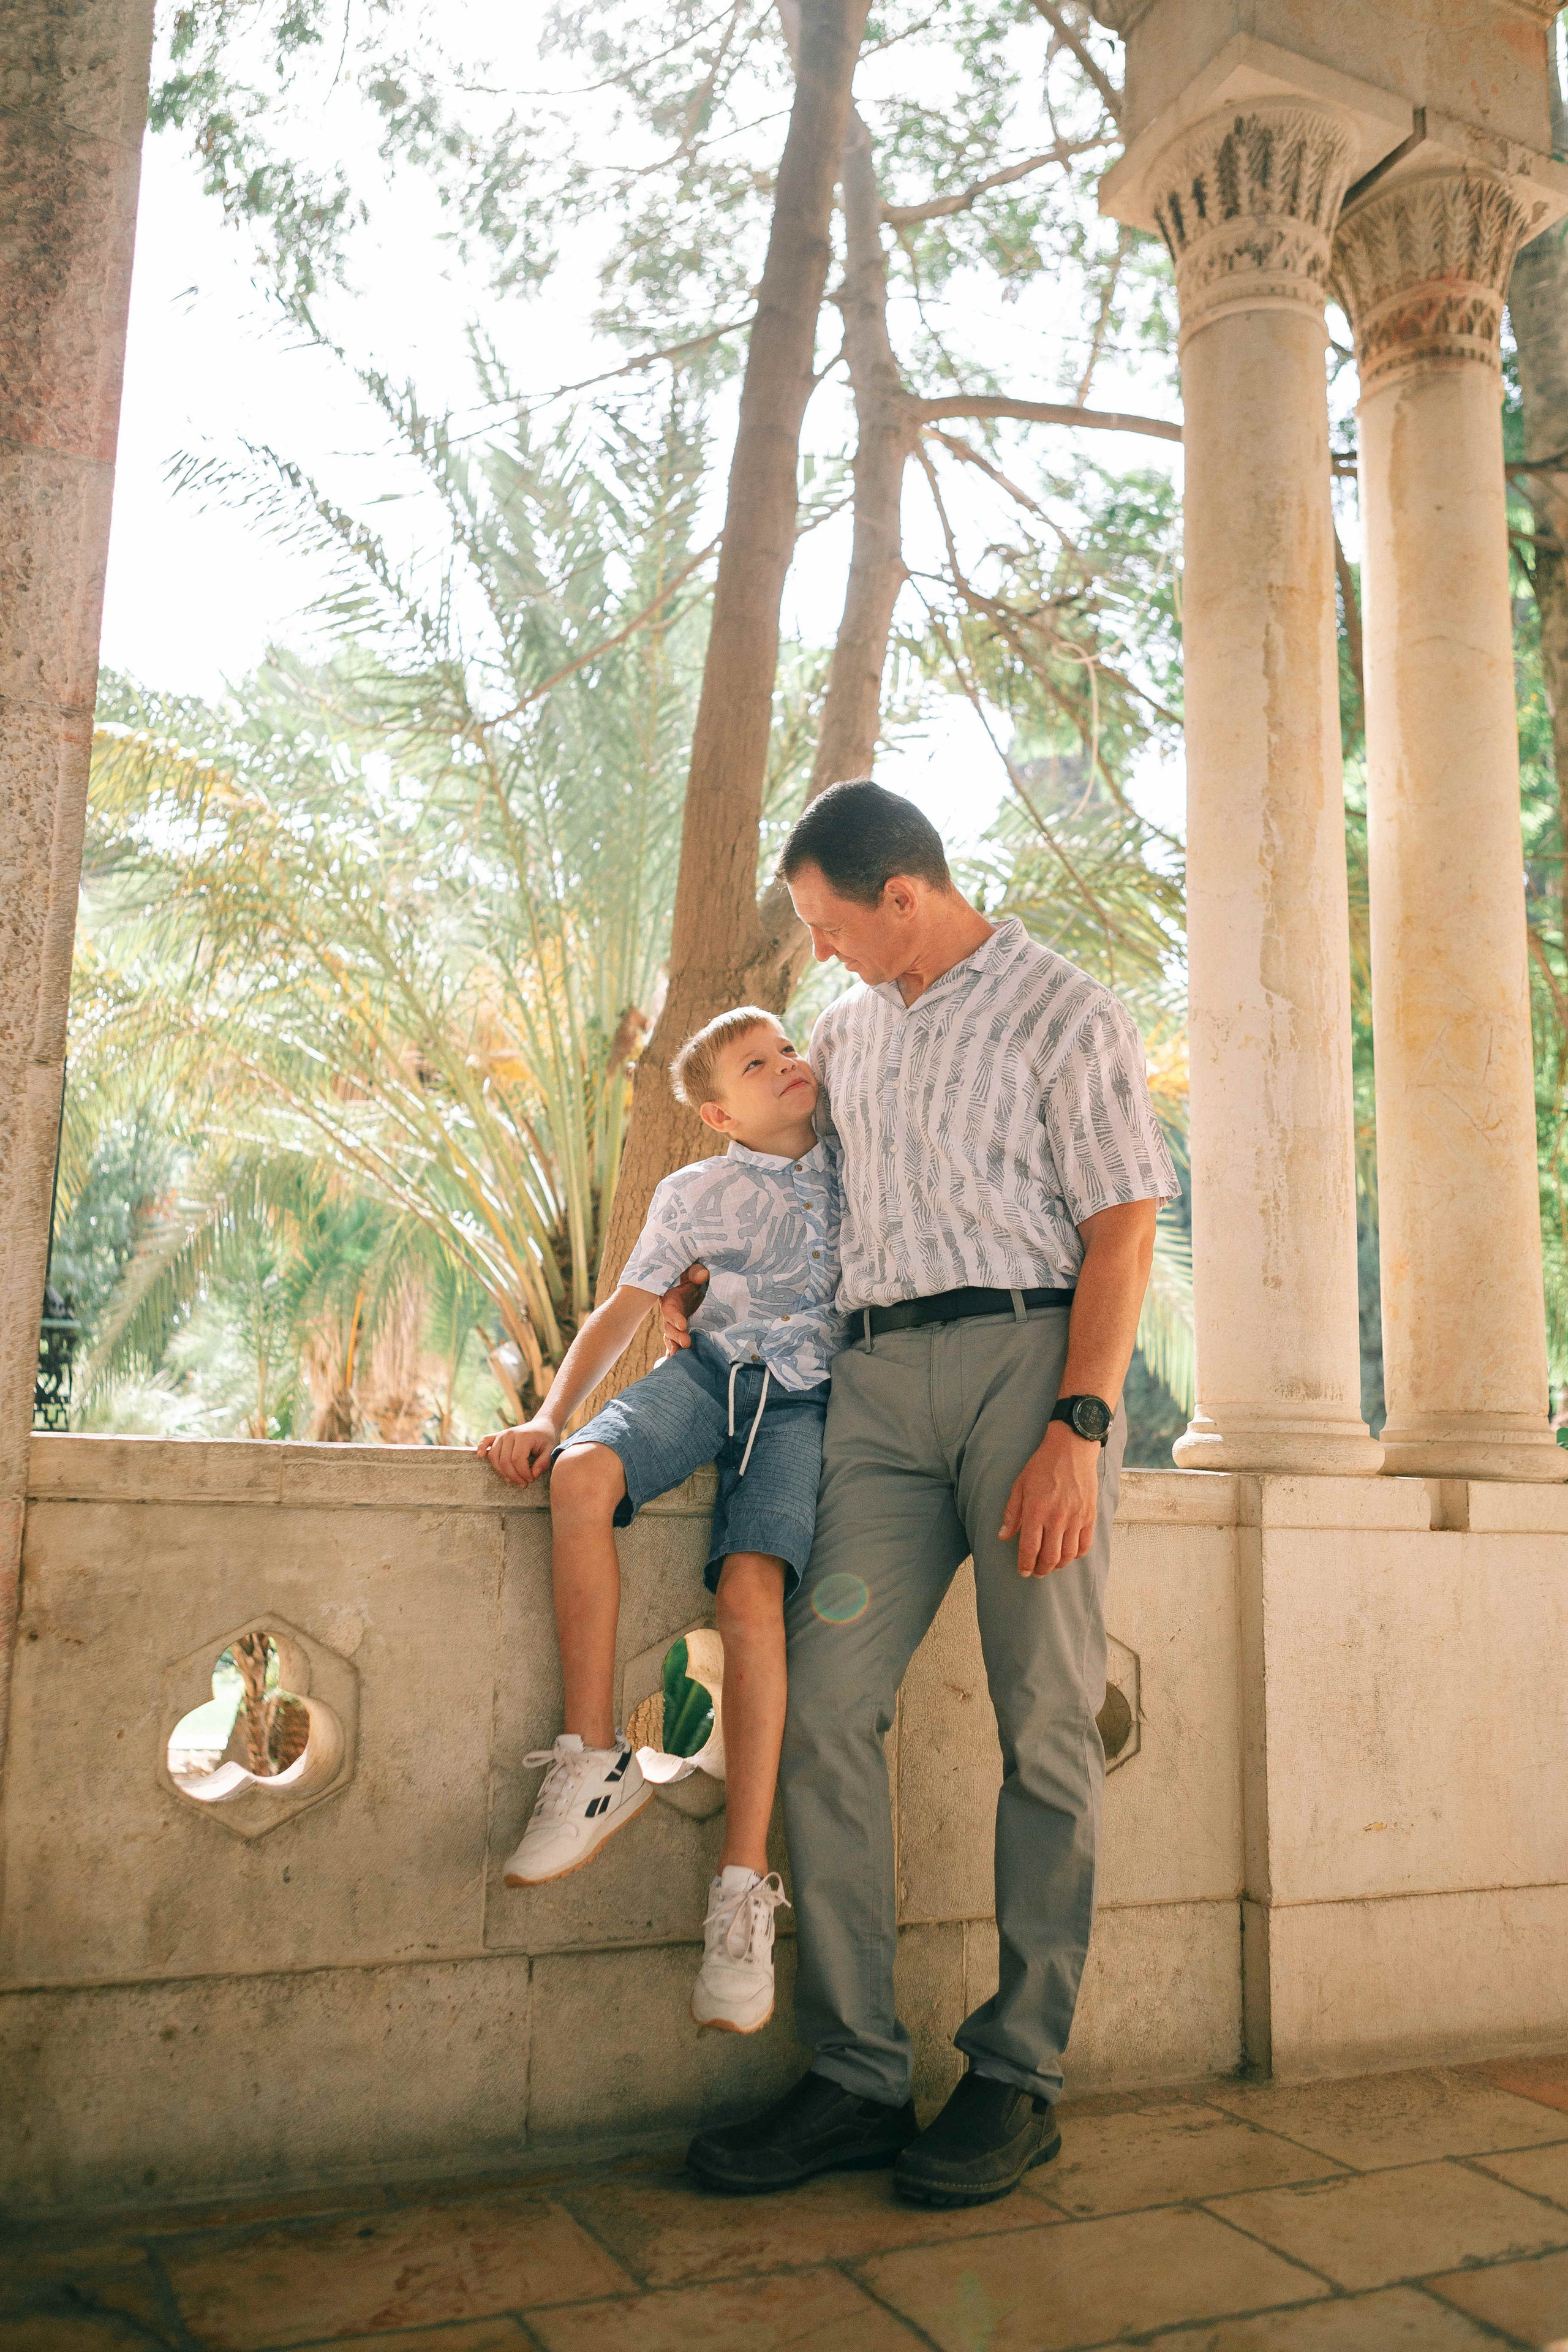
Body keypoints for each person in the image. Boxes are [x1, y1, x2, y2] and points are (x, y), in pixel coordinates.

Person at [667, 780, 1178, 2207]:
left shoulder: (1064, 1009)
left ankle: (1017, 2075)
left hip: (1029, 1375)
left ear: (903, 895)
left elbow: (1123, 1228)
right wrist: (705, 1286)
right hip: (876, 1393)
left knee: (1044, 1722)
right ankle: (855, 2075)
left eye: (829, 922)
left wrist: (1077, 1424)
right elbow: (790, 1188)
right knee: (822, 1705)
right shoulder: (838, 1037)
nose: (819, 951)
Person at [477, 1006, 845, 2035]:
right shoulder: (691, 1193)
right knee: (582, 1475)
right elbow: (624, 1311)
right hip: (707, 1378)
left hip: (807, 1404)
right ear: (720, 1114)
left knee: (752, 1593)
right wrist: (549, 1417)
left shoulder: (859, 1160)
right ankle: (594, 1759)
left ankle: (741, 1891)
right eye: (758, 1065)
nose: (789, 1065)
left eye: (789, 1049)